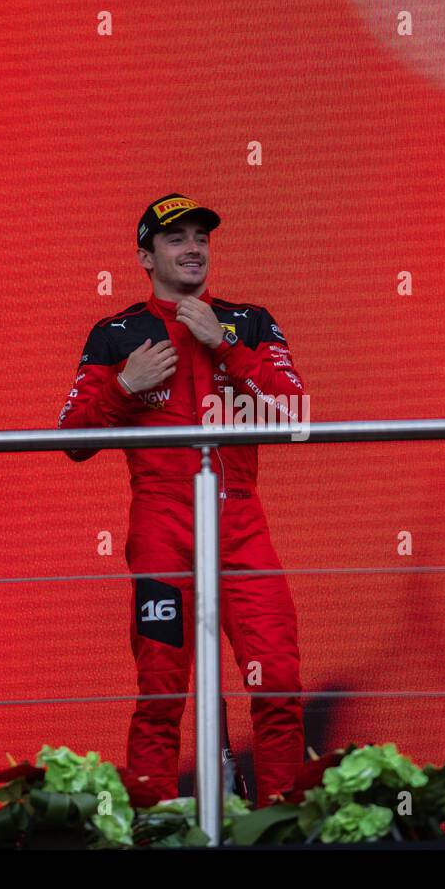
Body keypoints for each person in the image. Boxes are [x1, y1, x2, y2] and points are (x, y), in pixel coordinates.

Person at [57, 193, 308, 805]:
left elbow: (296, 415)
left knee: (276, 678)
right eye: (176, 239)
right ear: (145, 256)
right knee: (163, 689)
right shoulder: (117, 334)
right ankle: (152, 826)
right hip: (162, 524)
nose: (193, 248)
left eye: (201, 237)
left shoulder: (247, 320)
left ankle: (279, 824)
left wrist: (224, 343)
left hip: (241, 519)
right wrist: (122, 387)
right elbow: (72, 439)